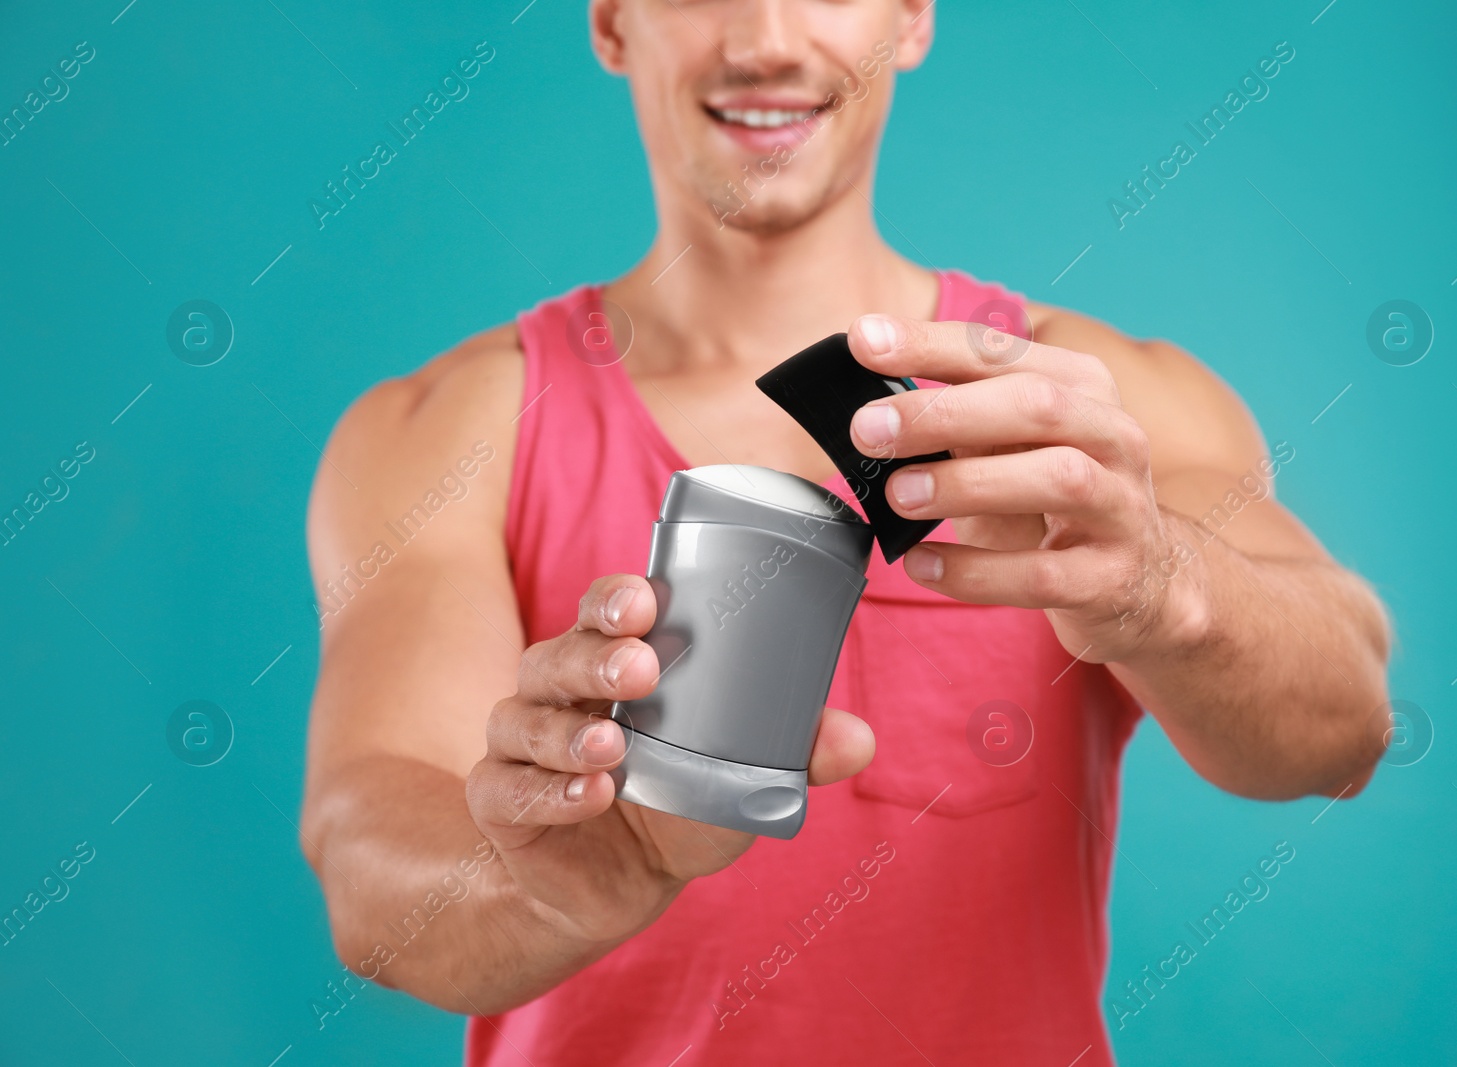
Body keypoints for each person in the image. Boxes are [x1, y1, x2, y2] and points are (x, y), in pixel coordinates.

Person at [299, 1, 1392, 1063]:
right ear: (612, 21)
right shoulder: (448, 429)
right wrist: (563, 881)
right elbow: (367, 862)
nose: (765, 39)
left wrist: (1163, 587)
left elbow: (1342, 724)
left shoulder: (1092, 408)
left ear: (911, 16)